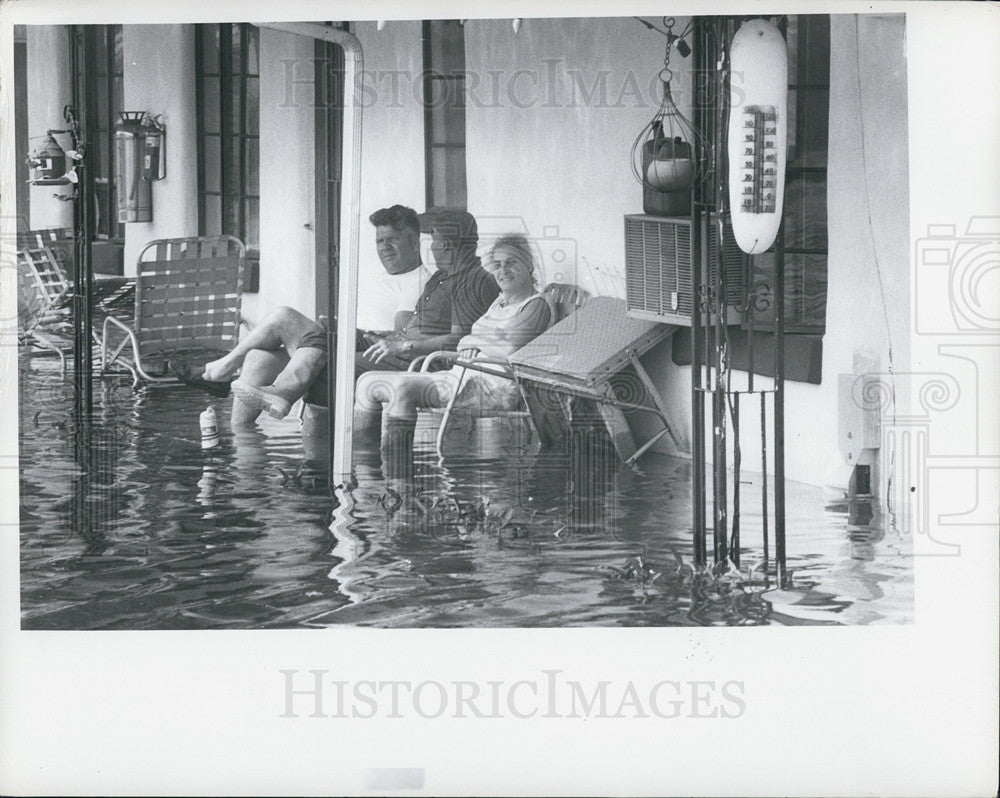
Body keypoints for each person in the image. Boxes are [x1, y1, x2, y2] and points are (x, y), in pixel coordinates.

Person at [168, 204, 429, 422]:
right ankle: (241, 443)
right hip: (343, 344)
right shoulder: (379, 279)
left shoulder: (417, 282)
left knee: (283, 316)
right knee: (259, 358)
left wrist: (354, 334)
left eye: (392, 239)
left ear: (414, 240)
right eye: (380, 240)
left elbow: (398, 337)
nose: (384, 247)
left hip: (362, 356)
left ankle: (221, 370)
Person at [353, 232, 554, 454]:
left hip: (494, 385)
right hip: (464, 374)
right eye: (497, 265)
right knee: (366, 383)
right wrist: (474, 341)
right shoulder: (500, 302)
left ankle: (397, 476)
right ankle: (367, 469)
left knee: (402, 388)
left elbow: (511, 349)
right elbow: (464, 341)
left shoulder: (536, 304)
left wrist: (474, 341)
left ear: (528, 265)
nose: (502, 270)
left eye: (511, 263)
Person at [354, 209, 499, 373]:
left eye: (433, 240)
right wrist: (382, 336)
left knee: (341, 364)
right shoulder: (440, 276)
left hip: (420, 361)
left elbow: (461, 339)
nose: (431, 247)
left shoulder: (473, 281)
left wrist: (404, 346)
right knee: (334, 335)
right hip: (400, 347)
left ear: (444, 245)